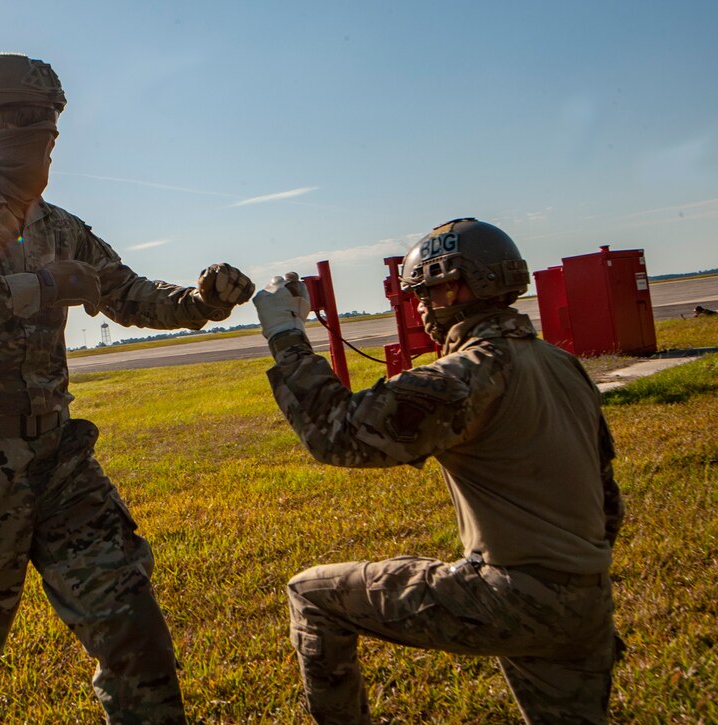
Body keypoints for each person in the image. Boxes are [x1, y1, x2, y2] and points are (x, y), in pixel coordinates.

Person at [0, 52, 254, 725]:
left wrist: (200, 301)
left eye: (49, 118)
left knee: (132, 629)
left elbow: (129, 292)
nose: (40, 131)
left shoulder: (60, 227)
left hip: (60, 459)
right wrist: (39, 289)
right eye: (22, 116)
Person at [252, 218, 625, 724]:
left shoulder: (469, 373)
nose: (420, 307)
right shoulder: (562, 364)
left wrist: (285, 333)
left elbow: (336, 434)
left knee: (312, 596)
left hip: (514, 597)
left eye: (426, 292)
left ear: (460, 285)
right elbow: (608, 504)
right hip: (588, 602)